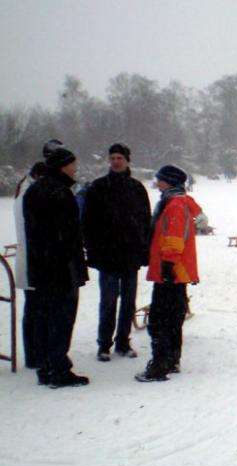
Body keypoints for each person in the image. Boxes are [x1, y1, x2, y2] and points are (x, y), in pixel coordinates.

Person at [23, 145, 89, 388]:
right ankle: (59, 369)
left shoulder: (34, 191)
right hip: (60, 269)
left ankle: (45, 367)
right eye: (72, 165)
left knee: (42, 318)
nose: (75, 169)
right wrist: (71, 264)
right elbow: (66, 235)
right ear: (62, 166)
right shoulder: (60, 193)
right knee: (61, 320)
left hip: (39, 268)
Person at [82, 143, 151, 362]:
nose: (116, 161)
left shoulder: (137, 188)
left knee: (128, 301)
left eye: (120, 157)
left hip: (130, 256)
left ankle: (123, 341)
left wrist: (143, 250)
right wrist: (93, 249)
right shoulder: (98, 187)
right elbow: (88, 222)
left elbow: (145, 221)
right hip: (107, 256)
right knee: (108, 301)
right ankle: (104, 344)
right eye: (112, 157)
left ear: (127, 160)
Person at [136, 165, 201, 382]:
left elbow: (173, 238)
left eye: (160, 179)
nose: (156, 182)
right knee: (173, 318)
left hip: (171, 271)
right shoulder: (176, 202)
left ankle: (160, 365)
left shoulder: (174, 205)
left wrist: (167, 265)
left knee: (160, 320)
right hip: (176, 272)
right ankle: (171, 360)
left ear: (169, 182)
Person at [13, 159, 48, 369]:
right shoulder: (29, 196)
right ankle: (35, 354)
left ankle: (33, 353)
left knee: (33, 308)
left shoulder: (24, 191)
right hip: (33, 260)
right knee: (36, 309)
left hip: (30, 259)